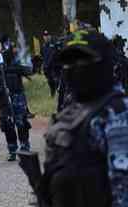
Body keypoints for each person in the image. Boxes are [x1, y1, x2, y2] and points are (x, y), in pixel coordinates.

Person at [42, 30, 128, 207]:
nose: (75, 67)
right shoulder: (71, 110)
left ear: (105, 62)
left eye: (83, 60)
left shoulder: (118, 114)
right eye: (68, 62)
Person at [0, 40, 32, 161]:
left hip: (18, 99)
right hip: (4, 101)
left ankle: (25, 146)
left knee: (21, 123)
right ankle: (12, 150)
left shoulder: (16, 68)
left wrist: (21, 65)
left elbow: (29, 71)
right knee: (8, 126)